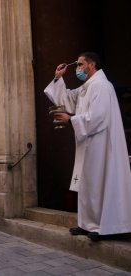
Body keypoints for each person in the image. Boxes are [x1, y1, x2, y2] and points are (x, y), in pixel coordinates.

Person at [44, 52, 131, 241]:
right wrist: (58, 78)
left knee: (98, 184)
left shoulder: (102, 86)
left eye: (81, 64)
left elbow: (98, 117)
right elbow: (66, 99)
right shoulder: (86, 87)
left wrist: (71, 120)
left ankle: (102, 227)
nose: (78, 68)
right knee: (87, 184)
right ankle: (87, 224)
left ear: (92, 65)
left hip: (101, 144)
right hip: (88, 144)